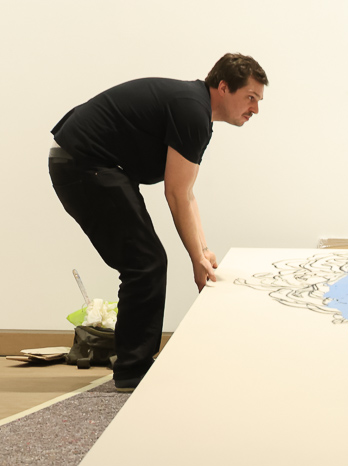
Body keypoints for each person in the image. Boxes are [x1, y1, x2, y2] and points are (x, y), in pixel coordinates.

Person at [48, 53, 267, 391]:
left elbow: (186, 192)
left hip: (92, 164)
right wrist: (195, 258)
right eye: (251, 97)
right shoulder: (192, 111)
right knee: (145, 262)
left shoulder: (195, 111)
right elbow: (176, 193)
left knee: (146, 260)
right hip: (83, 163)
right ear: (224, 87)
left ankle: (135, 365)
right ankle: (133, 370)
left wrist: (203, 251)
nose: (255, 109)